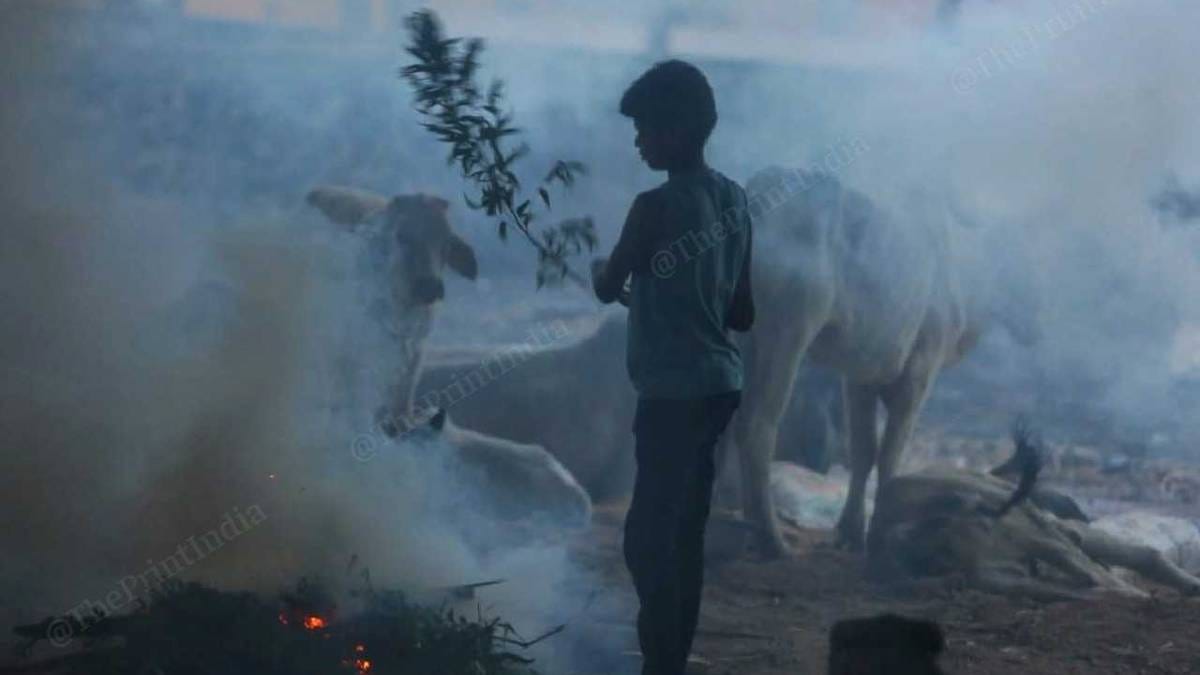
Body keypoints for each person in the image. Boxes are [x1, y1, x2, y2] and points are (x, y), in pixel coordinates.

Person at [591, 59, 755, 675]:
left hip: (672, 395)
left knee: (645, 538)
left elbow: (609, 285)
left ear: (680, 130)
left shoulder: (651, 207)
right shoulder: (736, 200)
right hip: (719, 389)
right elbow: (742, 313)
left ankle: (659, 657)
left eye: (646, 130)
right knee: (684, 533)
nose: (638, 142)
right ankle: (670, 660)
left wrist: (608, 283)